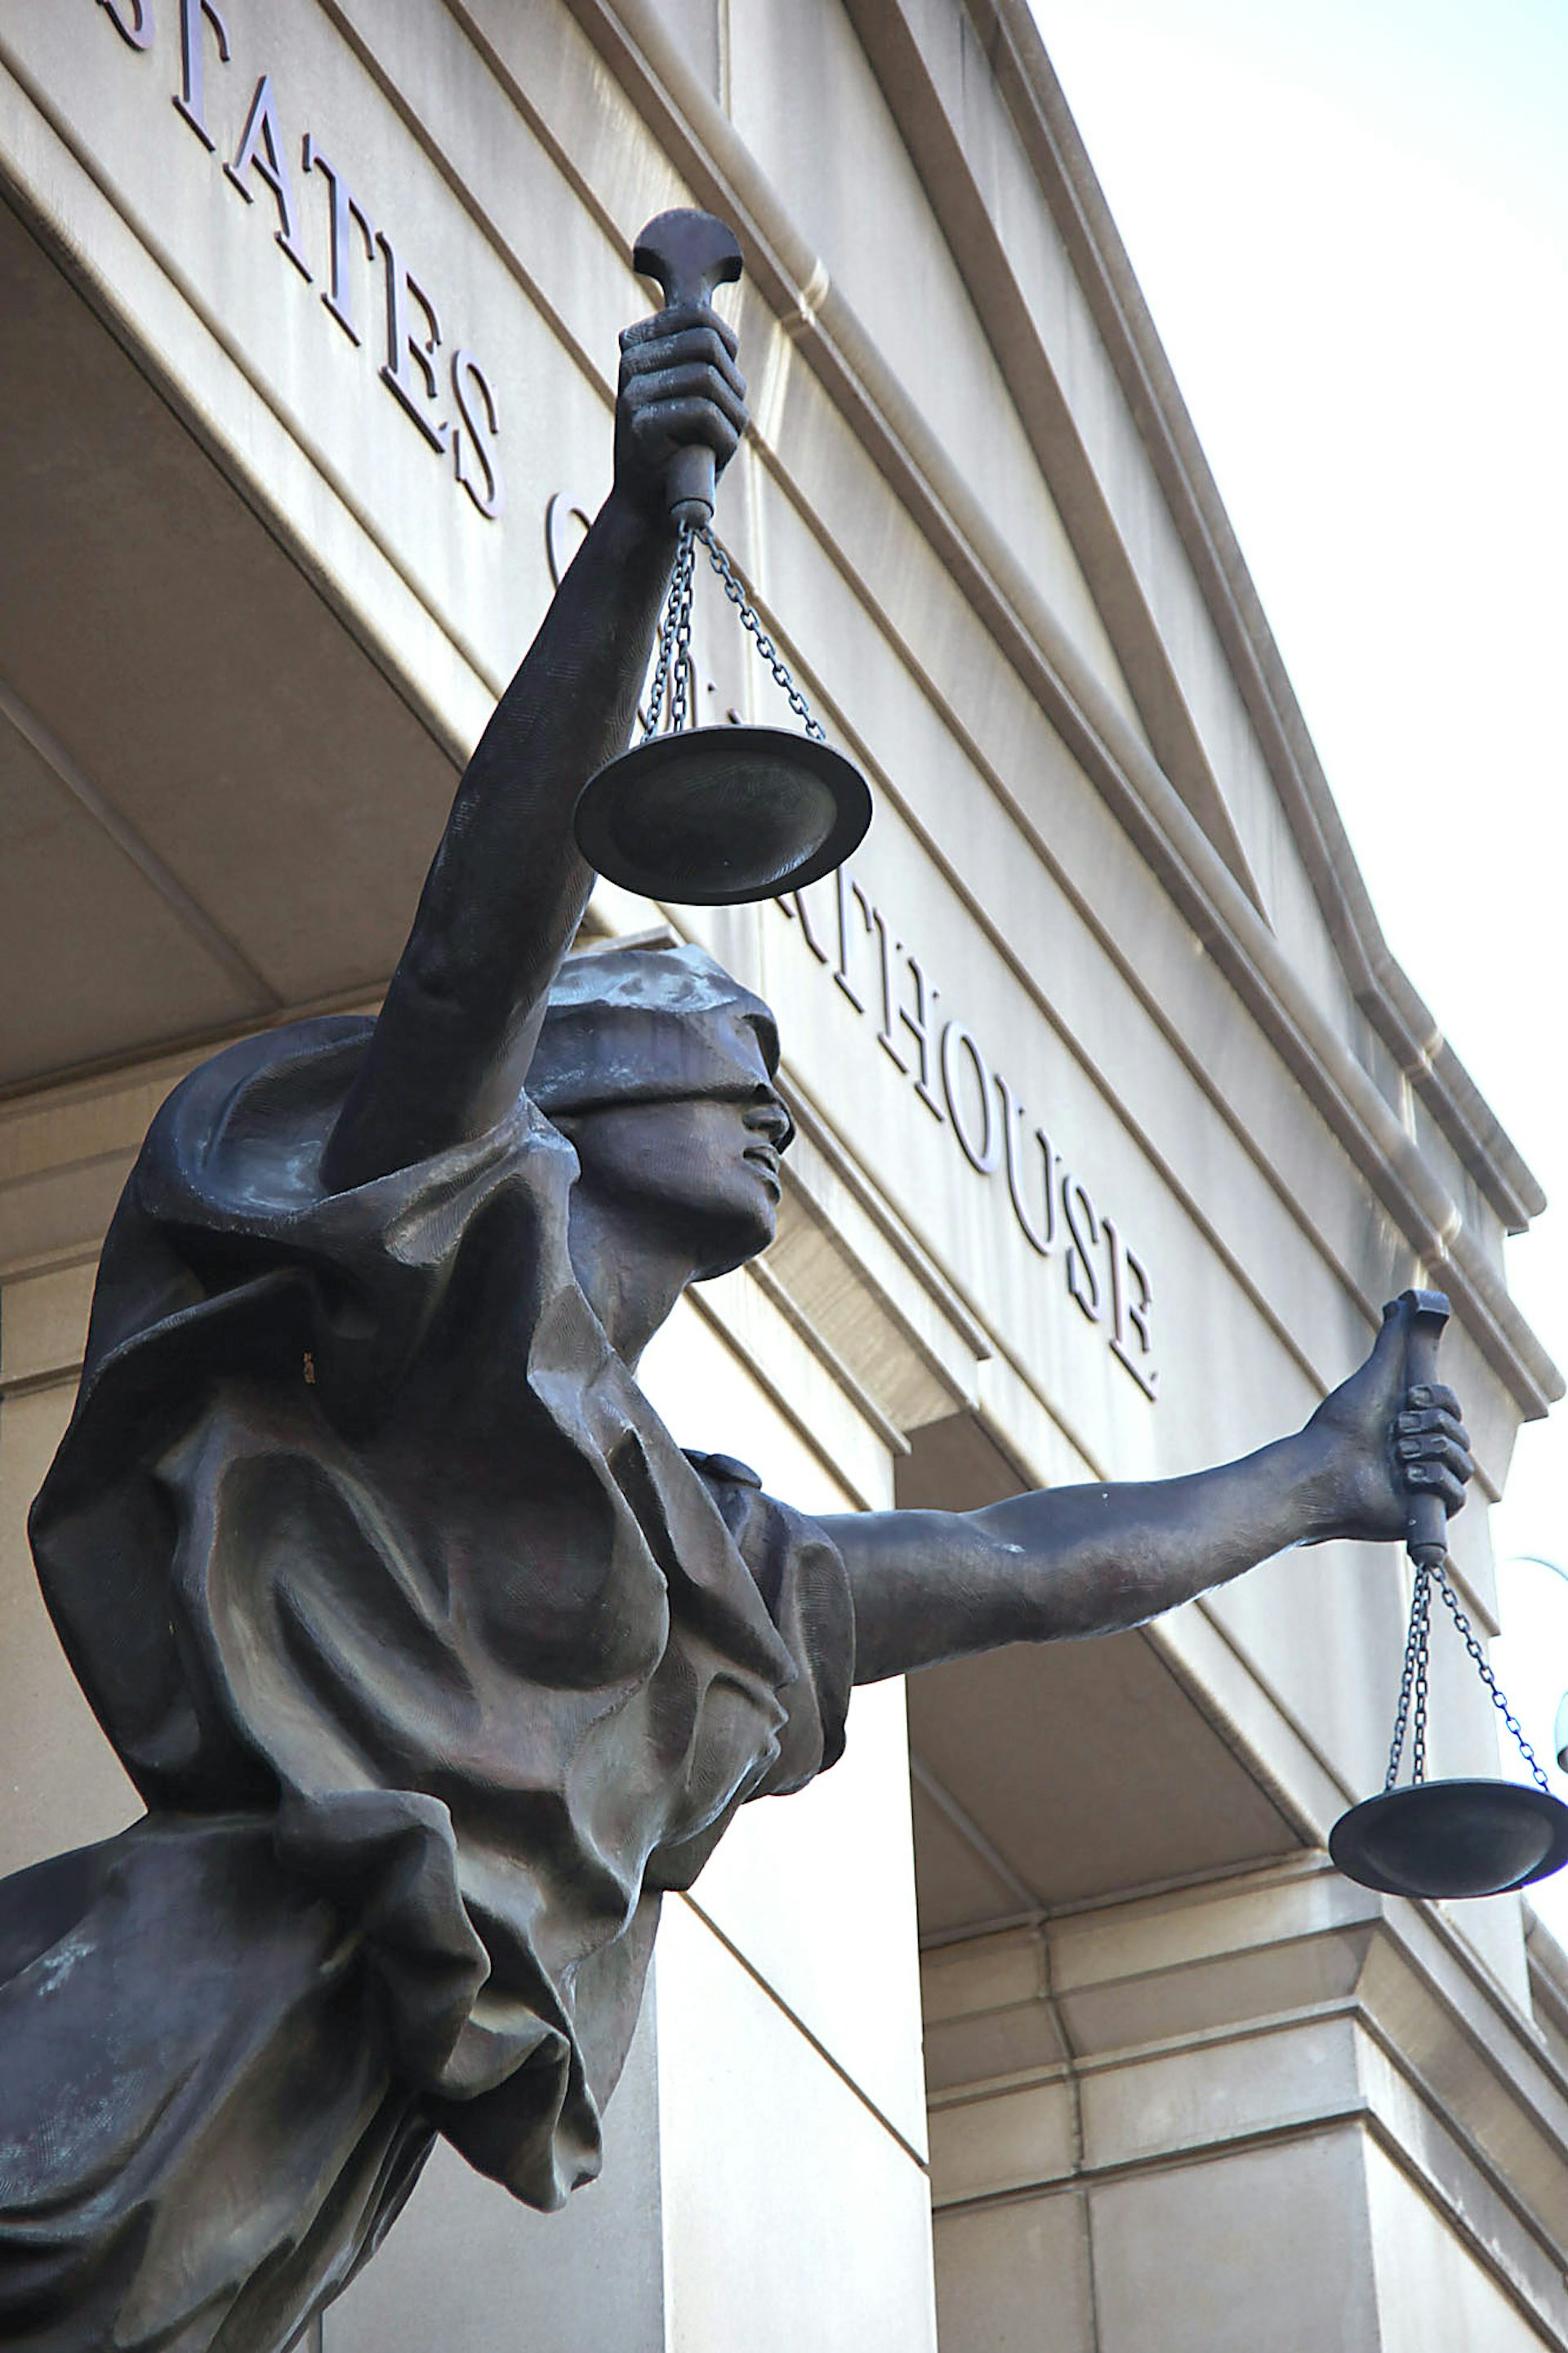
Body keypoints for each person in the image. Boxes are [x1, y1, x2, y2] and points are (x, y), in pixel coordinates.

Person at [0, 292, 1471, 2353]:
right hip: (158, 2023)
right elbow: (465, 947)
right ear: (576, 1103)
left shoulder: (727, 1573)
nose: (776, 1102)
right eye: (724, 1050)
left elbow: (1030, 1566)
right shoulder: (450, 1305)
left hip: (311, 2141)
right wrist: (629, 545)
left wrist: (1314, 1481)